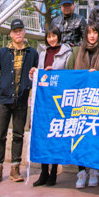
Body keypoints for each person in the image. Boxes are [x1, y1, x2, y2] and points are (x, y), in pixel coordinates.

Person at [0, 19, 38, 184]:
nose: (18, 33)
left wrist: (29, 82)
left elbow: (36, 73)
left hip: (21, 100)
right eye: (15, 31)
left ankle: (15, 169)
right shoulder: (3, 53)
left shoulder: (32, 54)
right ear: (11, 33)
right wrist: (0, 83)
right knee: (0, 135)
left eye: (20, 30)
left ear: (24, 32)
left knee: (18, 134)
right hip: (4, 99)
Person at [32, 29, 73, 187]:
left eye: (54, 36)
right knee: (43, 134)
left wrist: (55, 73)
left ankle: (54, 173)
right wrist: (33, 74)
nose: (51, 39)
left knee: (55, 134)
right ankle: (43, 172)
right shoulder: (42, 53)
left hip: (58, 98)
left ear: (59, 37)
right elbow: (37, 75)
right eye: (49, 36)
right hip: (44, 99)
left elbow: (69, 74)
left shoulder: (66, 53)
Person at [73, 24, 99, 189]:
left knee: (94, 135)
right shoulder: (77, 52)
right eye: (89, 33)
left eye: (95, 33)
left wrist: (98, 75)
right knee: (79, 136)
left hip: (98, 101)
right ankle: (81, 171)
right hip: (80, 100)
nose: (92, 36)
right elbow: (70, 74)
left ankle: (93, 169)